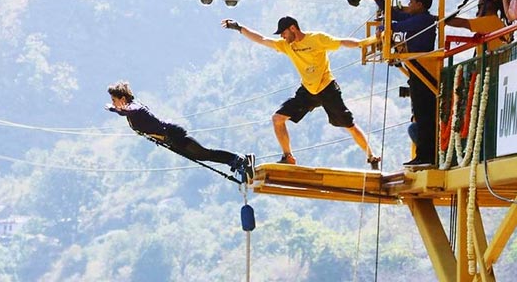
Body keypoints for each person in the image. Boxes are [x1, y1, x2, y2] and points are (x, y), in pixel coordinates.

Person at [221, 16, 381, 170]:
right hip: (308, 91)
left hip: (327, 88)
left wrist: (367, 41)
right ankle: (288, 157)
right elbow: (262, 39)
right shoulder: (286, 46)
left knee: (349, 125)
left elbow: (343, 42)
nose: (282, 37)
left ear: (293, 28)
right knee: (277, 119)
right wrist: (238, 27)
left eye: (283, 33)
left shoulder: (316, 38)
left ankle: (371, 156)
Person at [105, 81, 255, 182]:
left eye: (114, 100)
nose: (113, 103)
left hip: (173, 134)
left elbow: (132, 110)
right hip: (170, 140)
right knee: (202, 157)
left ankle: (240, 159)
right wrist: (113, 109)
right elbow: (123, 112)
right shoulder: (127, 110)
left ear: (123, 99)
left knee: (204, 153)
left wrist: (121, 109)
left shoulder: (134, 108)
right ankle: (237, 162)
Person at [372, 0, 437, 167]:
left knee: (424, 115)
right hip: (417, 70)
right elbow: (398, 17)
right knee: (420, 115)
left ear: (420, 5)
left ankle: (426, 155)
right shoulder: (419, 19)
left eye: (411, 2)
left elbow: (398, 24)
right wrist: (379, 0)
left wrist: (384, 27)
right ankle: (423, 155)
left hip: (424, 69)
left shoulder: (424, 20)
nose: (409, 5)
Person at [446, 0, 512, 55]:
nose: (478, 10)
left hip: (489, 63)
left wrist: (440, 19)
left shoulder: (487, 21)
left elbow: (462, 23)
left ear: (489, 5)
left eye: (480, 6)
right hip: (499, 62)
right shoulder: (501, 24)